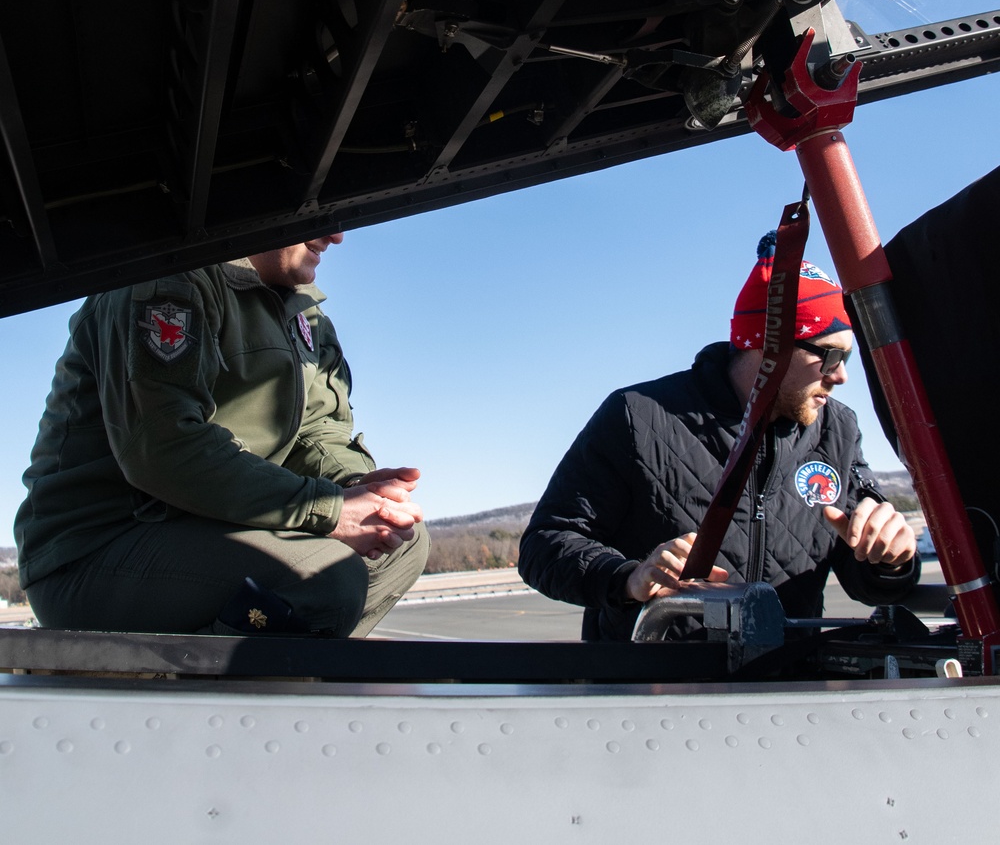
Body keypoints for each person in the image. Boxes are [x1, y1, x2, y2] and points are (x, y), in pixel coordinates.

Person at [14, 234, 428, 636]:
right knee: (325, 580)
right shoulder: (169, 278)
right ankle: (182, 685)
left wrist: (358, 489)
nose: (336, 236)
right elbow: (165, 447)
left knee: (403, 544)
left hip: (209, 529)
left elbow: (315, 430)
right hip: (97, 548)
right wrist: (327, 508)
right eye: (320, 213)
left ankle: (281, 665)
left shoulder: (306, 317)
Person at [519, 232, 918, 642]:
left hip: (790, 688)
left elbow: (865, 581)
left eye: (847, 357)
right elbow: (544, 545)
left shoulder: (838, 429)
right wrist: (629, 578)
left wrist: (891, 558)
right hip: (656, 690)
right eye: (828, 355)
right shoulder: (638, 415)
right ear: (769, 344)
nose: (840, 376)